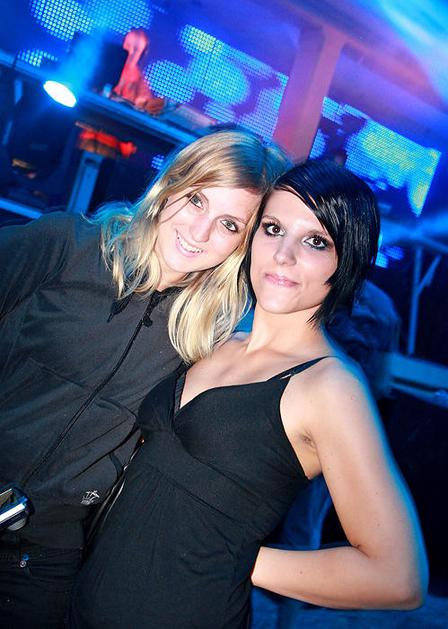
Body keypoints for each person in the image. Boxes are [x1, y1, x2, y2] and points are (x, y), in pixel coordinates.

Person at [70, 160, 428, 628]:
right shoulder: (215, 338)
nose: (283, 255)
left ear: (347, 260)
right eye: (273, 229)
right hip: (86, 599)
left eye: (316, 241)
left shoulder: (330, 387)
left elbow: (398, 578)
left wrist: (238, 558)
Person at [0, 128, 289, 628]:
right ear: (170, 185)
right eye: (196, 199)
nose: (199, 232)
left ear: (242, 246)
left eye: (228, 225)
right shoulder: (65, 246)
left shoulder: (204, 340)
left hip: (41, 554)